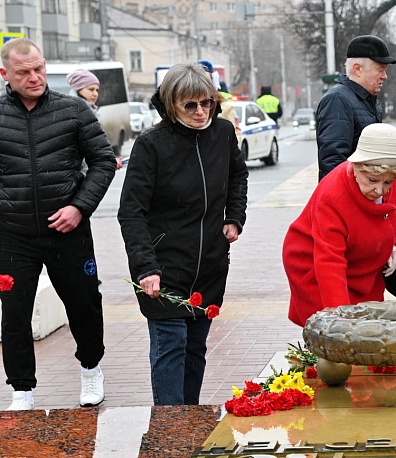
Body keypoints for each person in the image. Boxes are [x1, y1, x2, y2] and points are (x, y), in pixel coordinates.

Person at [118, 62, 249, 405]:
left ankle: (188, 422)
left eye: (206, 103)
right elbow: (131, 211)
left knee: (195, 348)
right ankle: (168, 427)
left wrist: (235, 217)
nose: (200, 112)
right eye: (190, 105)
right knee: (170, 347)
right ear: (170, 104)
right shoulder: (151, 145)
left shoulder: (221, 133)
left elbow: (238, 176)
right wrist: (146, 267)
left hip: (210, 263)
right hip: (165, 266)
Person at [0, 38, 116, 410]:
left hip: (68, 231)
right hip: (13, 235)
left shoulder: (74, 110)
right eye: (24, 72)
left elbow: (102, 161)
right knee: (15, 313)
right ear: (5, 74)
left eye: (39, 69)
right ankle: (21, 389)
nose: (34, 77)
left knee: (84, 305)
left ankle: (91, 369)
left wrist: (80, 207)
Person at [284, 123, 396, 327]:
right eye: (372, 180)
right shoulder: (332, 196)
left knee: (370, 328)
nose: (380, 190)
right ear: (356, 167)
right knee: (335, 332)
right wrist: (340, 321)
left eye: (387, 182)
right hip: (314, 266)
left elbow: (394, 212)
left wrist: (394, 246)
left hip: (362, 263)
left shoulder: (391, 180)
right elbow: (329, 263)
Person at [315, 35, 396, 181]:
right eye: (380, 69)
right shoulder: (338, 100)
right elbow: (333, 163)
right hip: (348, 199)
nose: (385, 76)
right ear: (358, 69)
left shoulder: (366, 100)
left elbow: (377, 148)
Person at [66, 69, 124, 170]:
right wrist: (106, 162)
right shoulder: (75, 113)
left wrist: (107, 162)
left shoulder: (89, 111)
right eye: (91, 89)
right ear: (78, 89)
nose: (95, 94)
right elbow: (86, 150)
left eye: (97, 90)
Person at [199, 60, 240, 145]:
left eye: (206, 82)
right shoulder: (185, 107)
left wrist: (227, 155)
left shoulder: (226, 108)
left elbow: (235, 136)